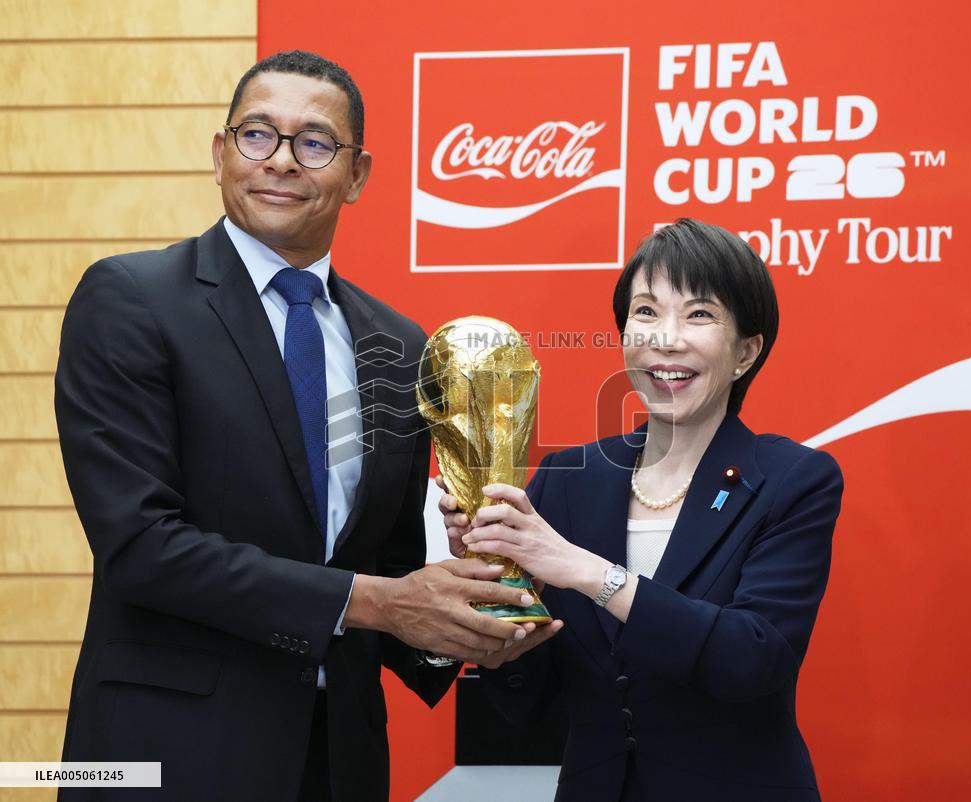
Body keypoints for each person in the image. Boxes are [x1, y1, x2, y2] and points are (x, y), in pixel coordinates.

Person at [54, 50, 550, 802]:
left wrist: (468, 617)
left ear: (357, 175)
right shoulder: (132, 301)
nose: (282, 161)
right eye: (258, 135)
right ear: (220, 154)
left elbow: (386, 572)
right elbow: (141, 546)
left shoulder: (400, 347)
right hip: (168, 757)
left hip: (338, 762)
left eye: (315, 143)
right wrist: (382, 601)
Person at [439, 219, 844, 801]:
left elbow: (750, 658)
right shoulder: (568, 478)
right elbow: (527, 700)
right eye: (647, 312)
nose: (666, 339)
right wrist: (496, 586)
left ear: (746, 352)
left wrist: (584, 570)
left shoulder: (791, 479)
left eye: (699, 315)